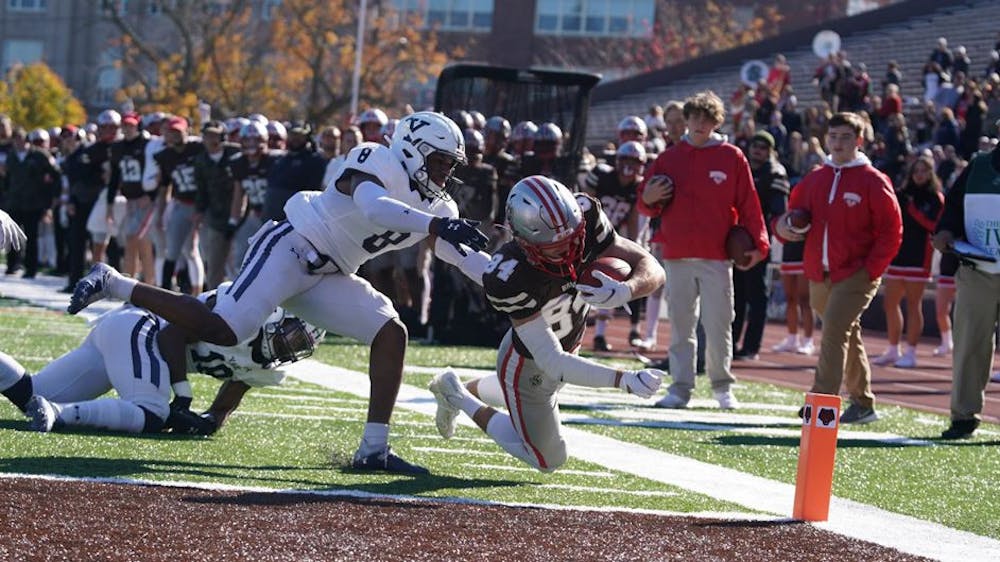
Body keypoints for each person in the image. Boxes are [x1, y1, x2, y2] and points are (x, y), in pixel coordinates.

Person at [67, 111, 490, 474]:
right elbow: (375, 206)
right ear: (413, 148)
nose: (445, 174)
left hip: (332, 272)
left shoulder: (441, 208)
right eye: (439, 162)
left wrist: (500, 278)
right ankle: (116, 281)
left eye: (449, 165)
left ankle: (374, 450)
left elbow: (458, 254)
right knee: (227, 329)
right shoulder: (376, 157)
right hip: (293, 245)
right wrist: (435, 226)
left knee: (390, 331)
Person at [427, 175, 665, 472]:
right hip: (529, 366)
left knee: (521, 393)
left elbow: (652, 267)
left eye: (575, 237)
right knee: (549, 459)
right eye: (557, 247)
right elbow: (551, 361)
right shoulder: (511, 277)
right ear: (526, 243)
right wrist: (622, 380)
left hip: (566, 348)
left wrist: (626, 289)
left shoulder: (585, 218)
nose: (572, 251)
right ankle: (457, 396)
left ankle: (456, 389)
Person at [0, 287, 319, 435]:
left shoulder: (269, 366)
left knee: (33, 394)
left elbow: (225, 403)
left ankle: (51, 407)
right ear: (278, 315)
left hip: (125, 335)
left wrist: (205, 423)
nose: (291, 347)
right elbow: (173, 335)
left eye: (301, 343)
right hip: (143, 328)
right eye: (292, 335)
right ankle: (58, 415)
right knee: (152, 411)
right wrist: (182, 395)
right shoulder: (242, 314)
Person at [638, 91, 769, 410]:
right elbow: (646, 204)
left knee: (719, 322)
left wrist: (760, 245)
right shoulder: (668, 158)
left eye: (707, 119)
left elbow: (749, 205)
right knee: (681, 325)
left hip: (717, 256)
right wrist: (648, 197)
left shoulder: (732, 156)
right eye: (695, 117)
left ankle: (722, 386)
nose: (700, 124)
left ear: (716, 122)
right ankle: (680, 389)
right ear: (687, 119)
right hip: (677, 254)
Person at [775, 112, 902, 425]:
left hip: (857, 272)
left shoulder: (873, 179)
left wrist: (872, 269)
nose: (839, 143)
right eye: (833, 137)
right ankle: (863, 403)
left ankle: (821, 402)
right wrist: (783, 227)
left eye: (846, 137)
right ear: (826, 139)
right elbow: (792, 216)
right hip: (820, 271)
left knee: (833, 330)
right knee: (846, 333)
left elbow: (892, 229)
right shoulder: (816, 177)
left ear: (859, 141)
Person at [932, 136, 1000, 439]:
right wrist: (945, 232)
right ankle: (964, 415)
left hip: (979, 269)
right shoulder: (977, 167)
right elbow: (952, 209)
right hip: (977, 269)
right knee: (970, 345)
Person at [872, 156, 944, 368]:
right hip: (898, 255)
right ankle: (893, 349)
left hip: (919, 258)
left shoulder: (934, 198)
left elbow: (933, 226)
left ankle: (911, 351)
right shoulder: (901, 195)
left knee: (914, 305)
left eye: (923, 171)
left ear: (930, 174)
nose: (919, 175)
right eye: (916, 171)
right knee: (889, 303)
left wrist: (912, 209)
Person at [580, 140, 648, 352]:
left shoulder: (638, 186)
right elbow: (583, 201)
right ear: (618, 161)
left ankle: (629, 329)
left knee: (621, 277)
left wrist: (634, 246)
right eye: (626, 160)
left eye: (635, 162)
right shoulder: (601, 175)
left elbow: (634, 217)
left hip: (613, 238)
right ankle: (591, 331)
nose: (630, 166)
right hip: (591, 235)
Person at [733, 130, 789, 361]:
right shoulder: (741, 169)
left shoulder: (774, 174)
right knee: (735, 295)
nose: (757, 150)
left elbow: (778, 213)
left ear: (771, 152)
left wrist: (762, 242)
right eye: (755, 145)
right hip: (735, 241)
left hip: (757, 242)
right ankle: (731, 342)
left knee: (756, 296)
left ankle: (751, 347)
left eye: (763, 147)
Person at [3, 126, 61, 279]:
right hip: (14, 201)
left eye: (21, 139)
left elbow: (56, 173)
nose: (18, 143)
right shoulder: (12, 156)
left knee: (31, 236)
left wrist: (47, 191)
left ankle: (31, 268)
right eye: (16, 140)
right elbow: (7, 179)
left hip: (33, 202)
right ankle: (12, 265)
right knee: (12, 235)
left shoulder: (39, 155)